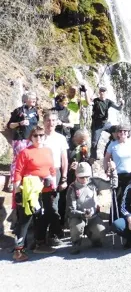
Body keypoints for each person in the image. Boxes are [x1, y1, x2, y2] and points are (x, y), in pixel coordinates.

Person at [11, 126, 56, 261]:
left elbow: (51, 169)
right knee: (25, 220)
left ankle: (39, 244)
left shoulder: (48, 151)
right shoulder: (25, 152)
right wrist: (17, 192)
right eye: (35, 135)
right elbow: (18, 172)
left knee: (42, 218)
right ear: (31, 137)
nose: (38, 138)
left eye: (41, 135)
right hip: (30, 191)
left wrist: (53, 185)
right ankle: (18, 251)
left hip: (45, 189)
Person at [39, 111, 69, 241]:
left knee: (53, 204)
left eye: (53, 120)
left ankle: (54, 233)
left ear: (57, 122)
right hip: (39, 173)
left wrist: (64, 178)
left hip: (54, 172)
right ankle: (39, 235)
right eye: (48, 120)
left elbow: (64, 159)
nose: (50, 123)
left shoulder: (60, 138)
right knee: (40, 204)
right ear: (44, 121)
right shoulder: (39, 136)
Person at [66, 162, 106, 254]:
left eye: (87, 176)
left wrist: (113, 171)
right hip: (78, 217)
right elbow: (70, 210)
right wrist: (83, 214)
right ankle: (76, 243)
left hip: (94, 216)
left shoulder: (94, 183)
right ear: (76, 175)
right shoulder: (72, 188)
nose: (85, 179)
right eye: (81, 177)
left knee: (101, 230)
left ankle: (95, 239)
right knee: (76, 227)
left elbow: (113, 184)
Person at [6, 91, 39, 193]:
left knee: (30, 160)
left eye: (35, 98)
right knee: (17, 160)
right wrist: (19, 123)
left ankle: (27, 179)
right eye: (31, 98)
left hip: (31, 139)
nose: (34, 100)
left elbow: (36, 125)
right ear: (25, 100)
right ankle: (13, 181)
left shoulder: (35, 111)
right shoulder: (18, 111)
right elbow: (10, 125)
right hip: (19, 139)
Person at [104, 123, 131, 210]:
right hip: (117, 176)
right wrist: (106, 170)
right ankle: (116, 219)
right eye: (120, 131)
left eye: (125, 131)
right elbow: (106, 158)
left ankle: (129, 220)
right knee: (117, 198)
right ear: (117, 133)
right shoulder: (112, 144)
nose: (123, 132)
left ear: (128, 132)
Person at [90, 86, 123, 159]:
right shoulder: (95, 101)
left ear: (106, 93)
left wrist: (121, 104)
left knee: (117, 131)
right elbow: (88, 103)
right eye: (101, 91)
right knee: (94, 143)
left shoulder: (108, 102)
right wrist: (89, 100)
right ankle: (93, 158)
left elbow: (118, 108)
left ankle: (114, 152)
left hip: (105, 124)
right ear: (99, 92)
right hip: (96, 125)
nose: (102, 92)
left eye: (104, 91)